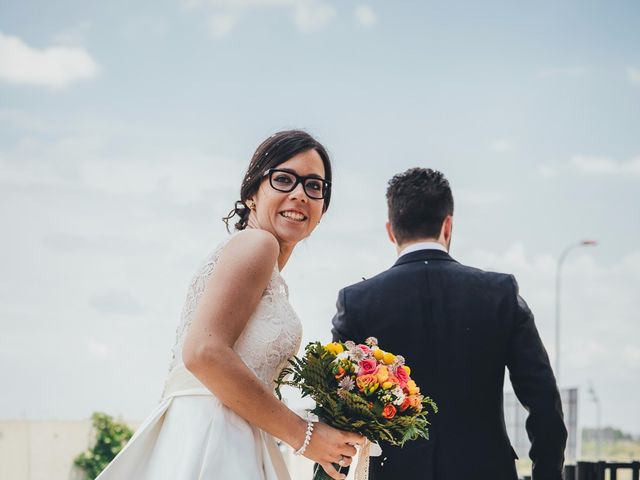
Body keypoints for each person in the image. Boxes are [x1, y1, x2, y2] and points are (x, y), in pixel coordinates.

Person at [97, 130, 362, 480]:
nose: (300, 194)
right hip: (214, 436)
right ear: (252, 193)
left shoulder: (263, 265)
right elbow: (203, 352)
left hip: (221, 433)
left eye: (314, 186)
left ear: (322, 209)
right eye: (284, 180)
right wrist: (305, 436)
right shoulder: (257, 244)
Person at [331, 168, 567, 480]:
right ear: (448, 225)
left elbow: (335, 413)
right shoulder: (500, 294)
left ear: (391, 231)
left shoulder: (358, 301)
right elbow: (544, 405)